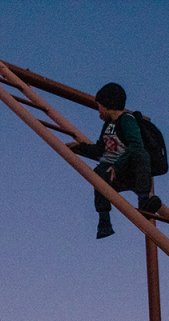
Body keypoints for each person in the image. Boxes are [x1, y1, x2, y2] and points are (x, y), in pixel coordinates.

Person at [66, 82, 161, 239]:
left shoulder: (127, 120)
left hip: (127, 169)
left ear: (108, 104)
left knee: (141, 155)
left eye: (99, 107)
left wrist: (117, 166)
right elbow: (99, 149)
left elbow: (135, 145)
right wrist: (79, 147)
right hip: (111, 172)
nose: (99, 112)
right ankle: (104, 221)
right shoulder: (107, 126)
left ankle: (144, 201)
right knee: (98, 172)